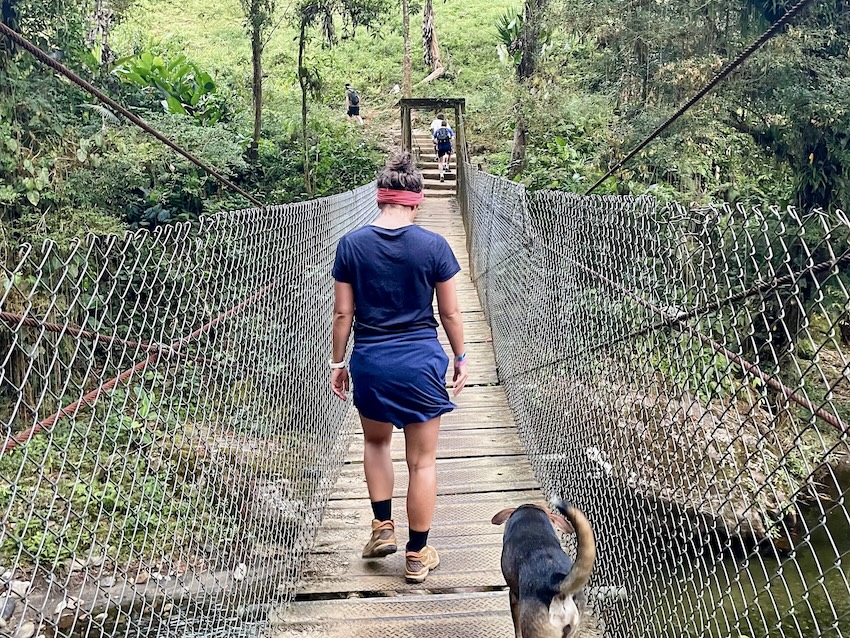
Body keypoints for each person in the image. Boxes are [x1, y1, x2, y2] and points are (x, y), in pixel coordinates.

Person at [330, 153, 469, 584]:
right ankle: (416, 554)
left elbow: (342, 314)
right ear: (418, 200)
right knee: (422, 462)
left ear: (378, 197)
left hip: (371, 362)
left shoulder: (351, 245)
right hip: (422, 364)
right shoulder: (434, 246)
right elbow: (449, 314)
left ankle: (382, 527)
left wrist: (338, 362)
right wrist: (461, 358)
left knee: (375, 443)